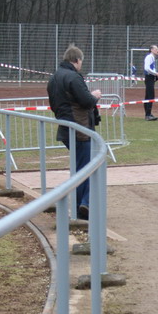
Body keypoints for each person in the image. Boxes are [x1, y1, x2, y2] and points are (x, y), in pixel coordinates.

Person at [47, 45, 102, 220]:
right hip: (80, 128)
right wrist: (95, 96)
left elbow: (54, 104)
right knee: (89, 168)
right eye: (81, 62)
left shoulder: (54, 78)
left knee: (81, 168)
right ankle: (84, 203)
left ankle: (81, 205)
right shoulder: (73, 77)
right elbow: (86, 101)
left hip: (66, 127)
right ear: (77, 60)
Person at [143, 45, 158, 121]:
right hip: (149, 77)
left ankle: (148, 113)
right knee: (150, 96)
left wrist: (155, 75)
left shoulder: (152, 58)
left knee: (148, 96)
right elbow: (147, 68)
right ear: (152, 50)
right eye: (156, 49)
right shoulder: (149, 57)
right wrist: (155, 73)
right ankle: (148, 114)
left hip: (151, 78)